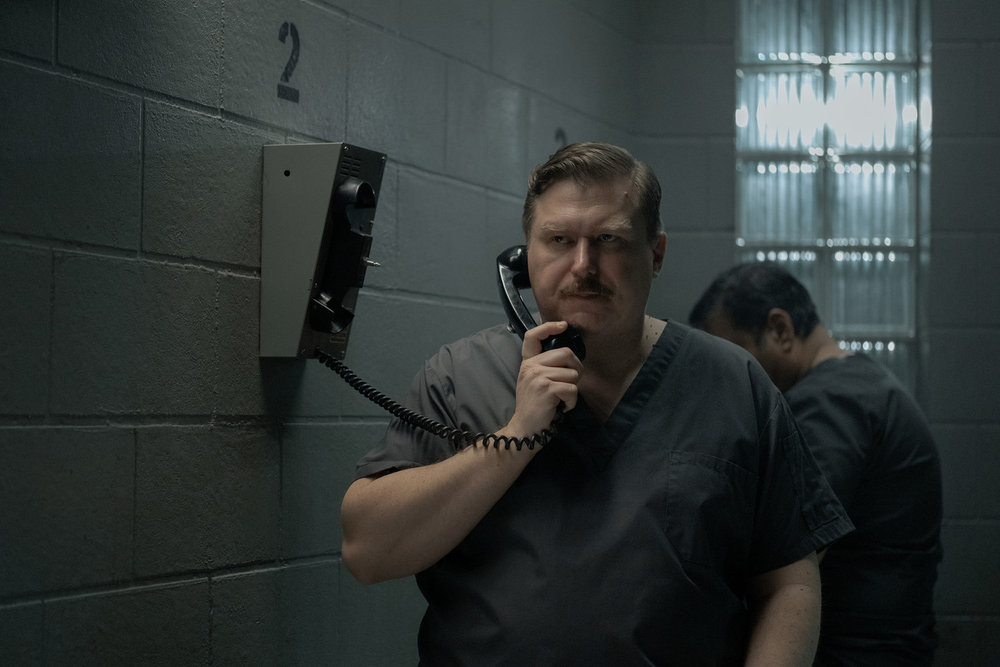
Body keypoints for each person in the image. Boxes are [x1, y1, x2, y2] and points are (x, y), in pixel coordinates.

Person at [341, 143, 853, 665]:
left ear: (655, 254)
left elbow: (789, 581)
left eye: (609, 240)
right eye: (559, 240)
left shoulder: (734, 384)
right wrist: (516, 436)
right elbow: (367, 552)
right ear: (525, 257)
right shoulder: (458, 377)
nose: (582, 265)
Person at [688, 261, 942, 666]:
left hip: (855, 653)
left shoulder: (828, 404)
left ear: (780, 329)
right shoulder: (861, 387)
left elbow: (790, 547)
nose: (730, 380)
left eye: (736, 357)